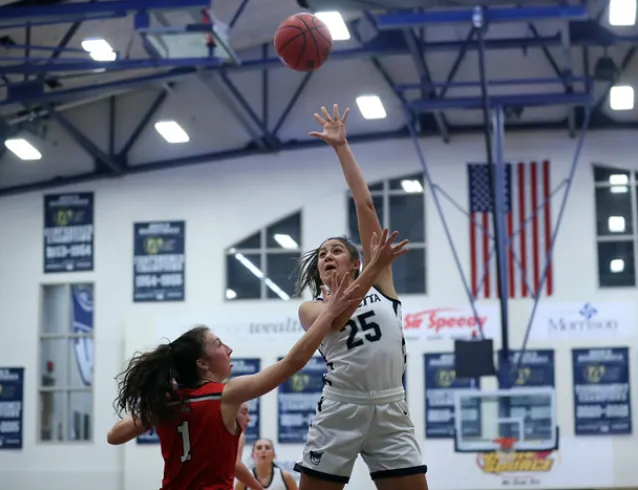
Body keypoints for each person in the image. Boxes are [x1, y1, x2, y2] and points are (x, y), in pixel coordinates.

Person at [106, 229, 407, 490]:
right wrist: (329, 312)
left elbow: (114, 436)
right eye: (218, 343)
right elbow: (291, 363)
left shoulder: (170, 402)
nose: (229, 349)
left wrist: (155, 407)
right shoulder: (227, 394)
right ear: (202, 363)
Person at [291, 104, 428, 490]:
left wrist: (342, 148)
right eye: (322, 254)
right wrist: (371, 269)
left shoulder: (381, 283)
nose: (328, 256)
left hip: (390, 404)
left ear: (354, 261)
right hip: (340, 407)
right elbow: (334, 319)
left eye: (336, 250)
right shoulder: (311, 307)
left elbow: (364, 204)